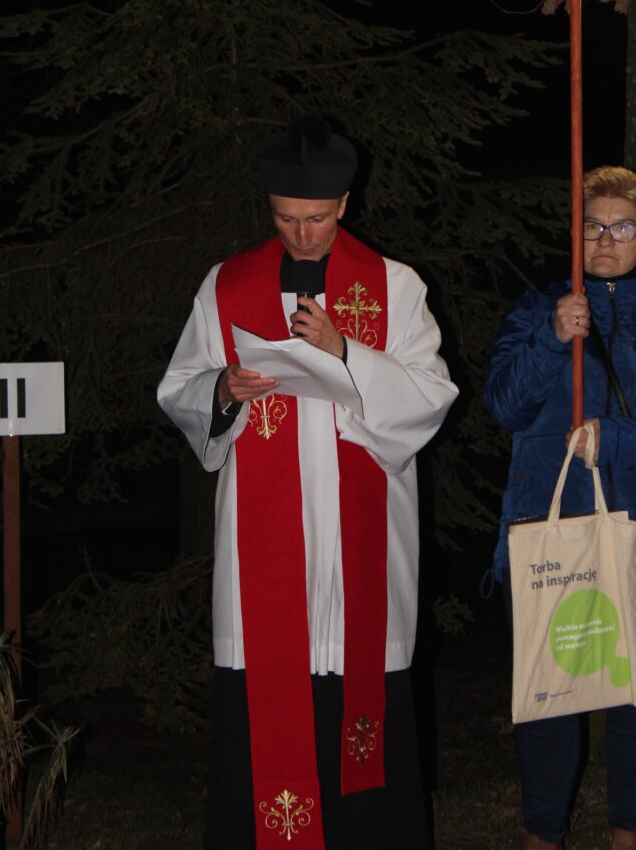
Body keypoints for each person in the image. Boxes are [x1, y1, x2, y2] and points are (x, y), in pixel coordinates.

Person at [157, 114, 458, 849]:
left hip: (361, 554)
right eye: (286, 218)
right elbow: (180, 387)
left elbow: (431, 397)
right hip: (264, 559)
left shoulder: (394, 286)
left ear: (345, 204)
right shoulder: (227, 285)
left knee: (363, 717)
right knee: (263, 710)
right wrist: (223, 388)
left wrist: (347, 351)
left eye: (317, 218)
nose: (301, 235)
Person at [484, 165, 636, 850]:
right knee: (549, 695)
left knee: (632, 695)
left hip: (630, 531)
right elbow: (503, 406)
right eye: (593, 225)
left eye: (622, 227)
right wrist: (551, 335)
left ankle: (627, 831)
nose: (605, 239)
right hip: (549, 537)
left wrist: (617, 438)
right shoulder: (536, 308)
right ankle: (542, 835)